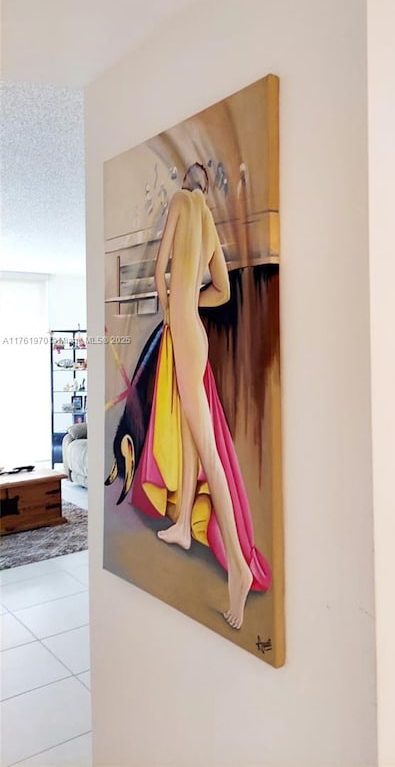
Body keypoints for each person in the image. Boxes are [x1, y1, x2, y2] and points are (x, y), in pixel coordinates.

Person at [143, 162, 265, 629]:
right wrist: (190, 306)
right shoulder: (208, 221)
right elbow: (224, 290)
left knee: (210, 454)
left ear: (189, 180)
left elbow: (159, 269)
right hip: (198, 333)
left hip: (183, 335)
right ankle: (181, 529)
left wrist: (171, 308)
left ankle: (238, 564)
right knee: (196, 436)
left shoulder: (179, 201)